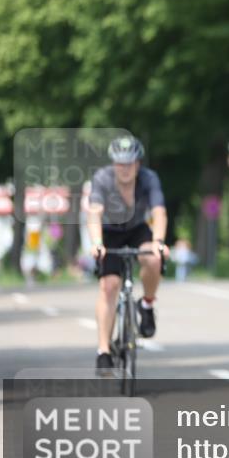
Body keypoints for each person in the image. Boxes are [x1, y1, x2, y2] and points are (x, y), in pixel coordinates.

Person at [87, 136, 169, 373]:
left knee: (153, 258)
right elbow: (94, 213)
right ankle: (103, 350)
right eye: (120, 163)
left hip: (137, 229)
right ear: (113, 164)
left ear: (138, 163)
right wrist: (97, 242)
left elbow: (159, 212)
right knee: (109, 286)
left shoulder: (149, 179)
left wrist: (159, 242)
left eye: (130, 163)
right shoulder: (102, 178)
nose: (125, 169)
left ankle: (147, 304)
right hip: (110, 231)